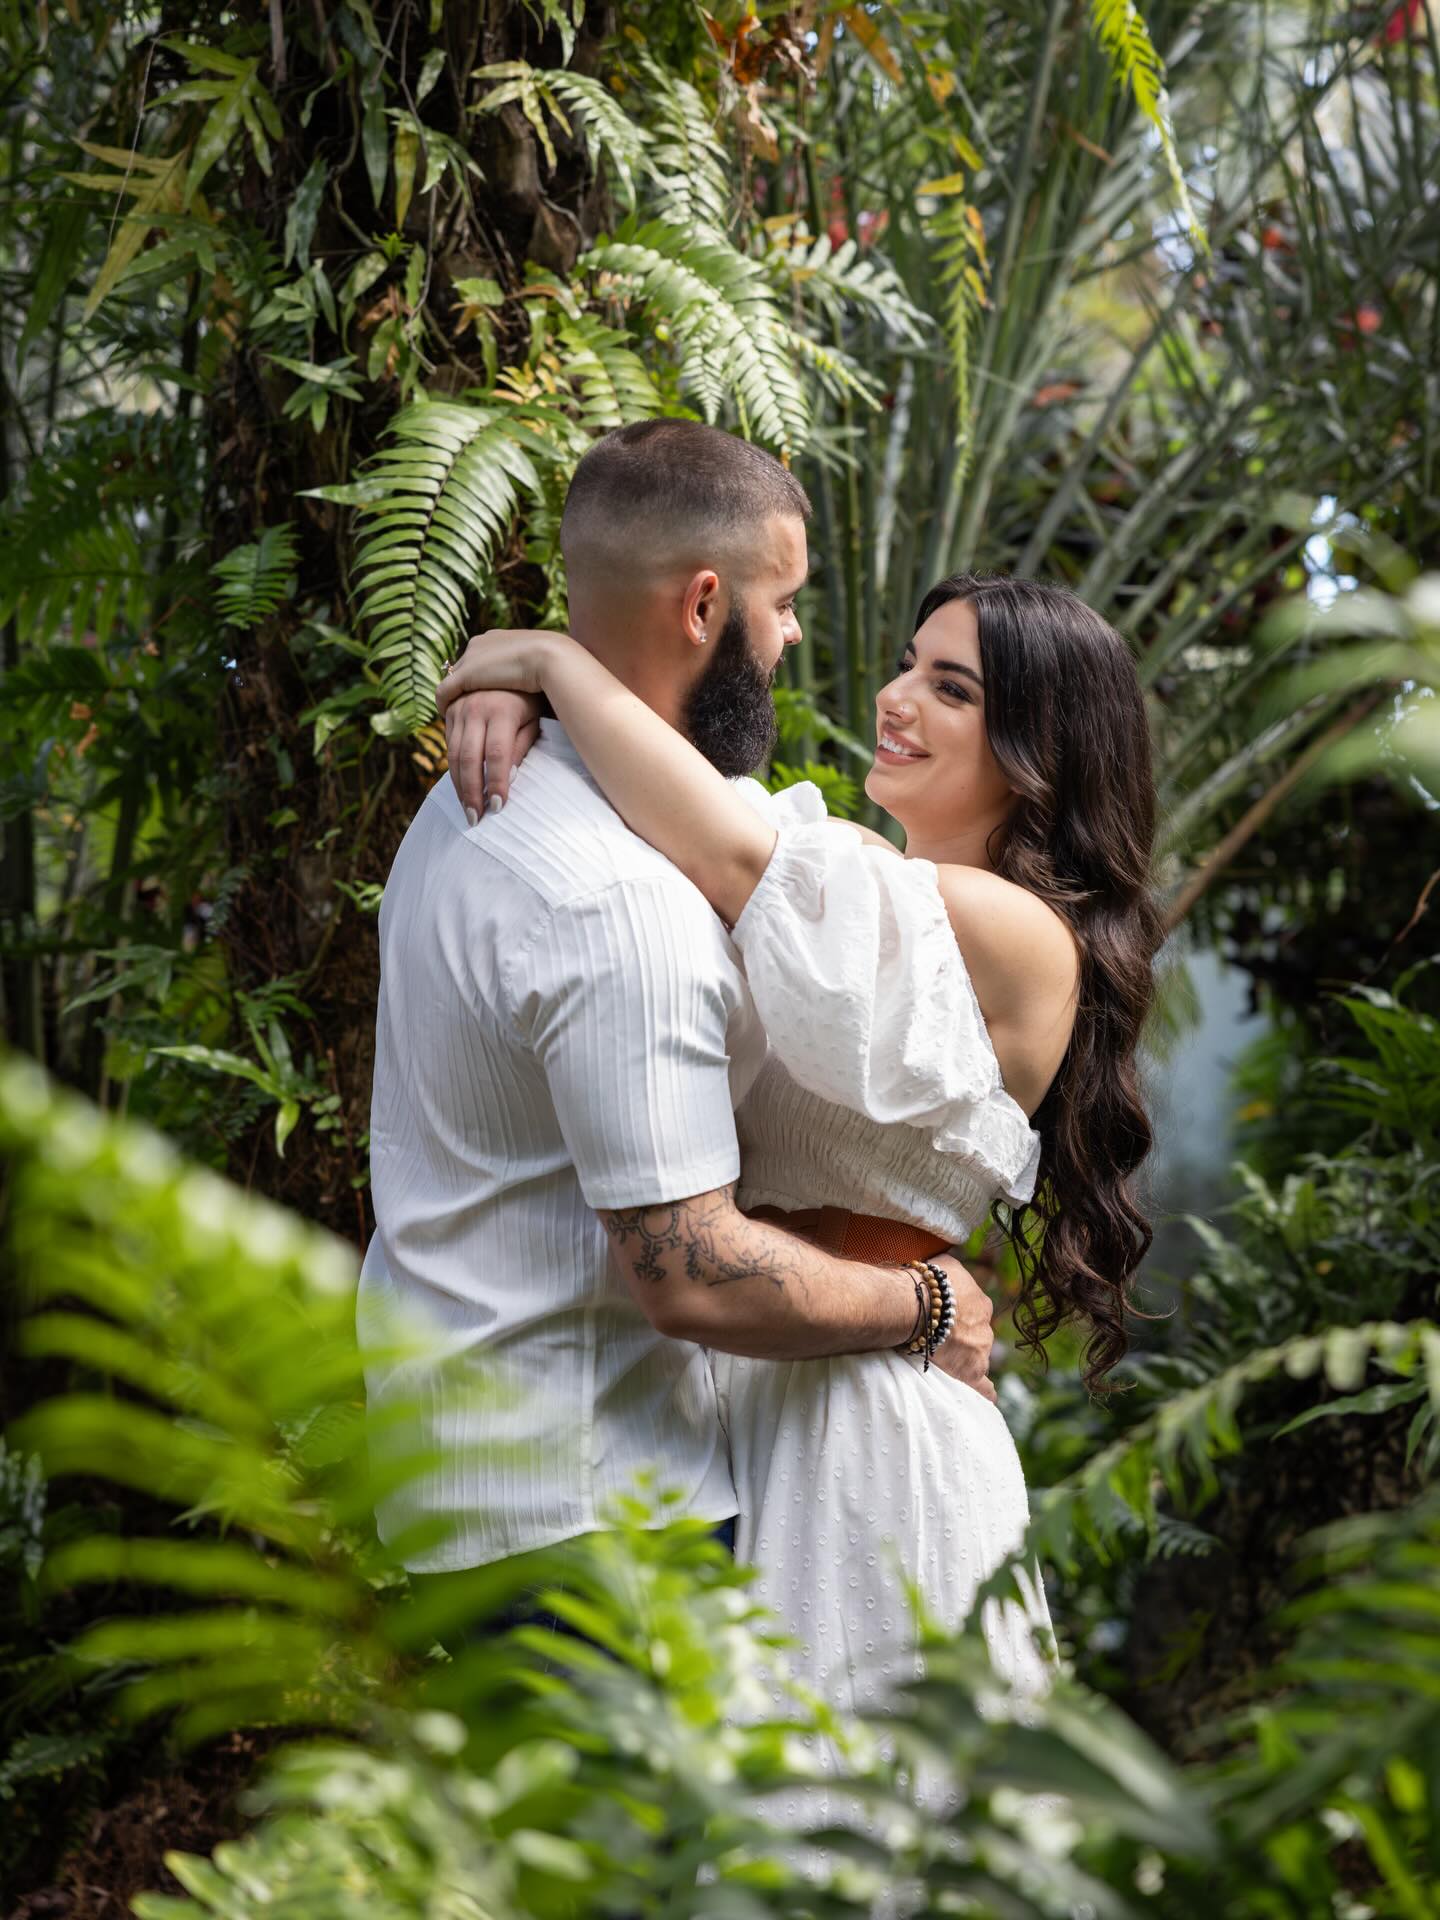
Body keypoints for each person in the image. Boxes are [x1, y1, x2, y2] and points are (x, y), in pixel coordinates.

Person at [436, 546, 1163, 1796]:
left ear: (1043, 747)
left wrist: (547, 659)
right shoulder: (871, 906)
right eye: (907, 666)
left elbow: (718, 845)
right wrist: (501, 701)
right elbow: (663, 826)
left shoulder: (1009, 931)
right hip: (764, 1390)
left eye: (953, 689)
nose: (897, 698)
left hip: (872, 1420)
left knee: (846, 1814)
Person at [357, 421, 1002, 1630]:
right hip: (597, 1520)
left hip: (466, 1495)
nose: (800, 636)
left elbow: (741, 834)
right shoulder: (623, 900)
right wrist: (930, 1306)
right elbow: (695, 1278)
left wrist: (538, 660)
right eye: (785, 602)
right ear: (704, 605)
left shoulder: (462, 809)